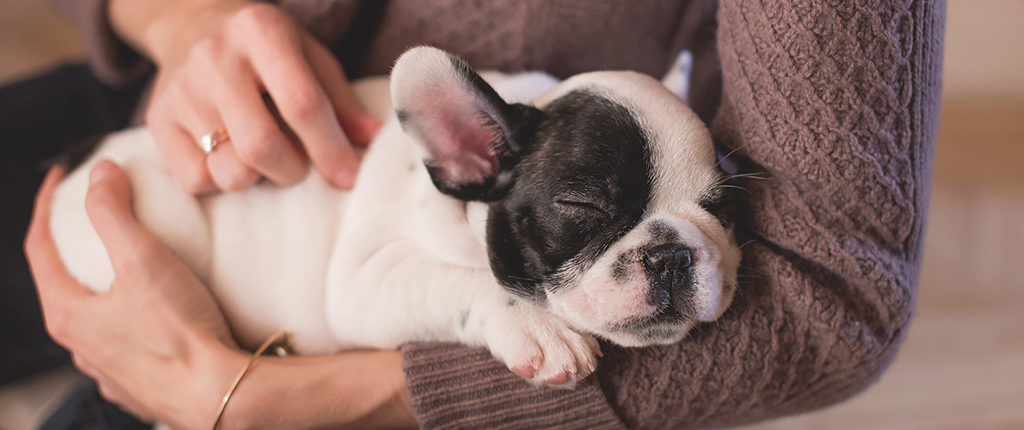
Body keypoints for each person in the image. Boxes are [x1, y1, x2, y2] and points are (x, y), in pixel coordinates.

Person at [19, 0, 945, 428]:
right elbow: (364, 290)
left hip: (274, 347)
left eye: (711, 214)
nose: (670, 258)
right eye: (590, 214)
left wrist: (256, 399)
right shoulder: (473, 162)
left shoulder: (544, 155)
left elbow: (834, 299)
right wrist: (179, 18)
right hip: (161, 178)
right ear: (466, 159)